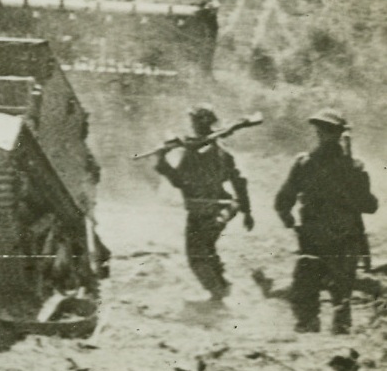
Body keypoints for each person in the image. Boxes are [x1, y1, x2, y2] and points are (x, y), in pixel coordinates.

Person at [274, 108, 378, 334]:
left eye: (328, 130)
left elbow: (370, 206)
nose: (323, 134)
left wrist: (288, 218)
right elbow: (284, 199)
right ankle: (317, 334)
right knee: (316, 292)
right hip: (325, 236)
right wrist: (288, 218)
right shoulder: (307, 163)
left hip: (333, 237)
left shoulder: (349, 166)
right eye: (322, 130)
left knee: (333, 294)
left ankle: (333, 338)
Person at [155, 104, 254, 305]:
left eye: (194, 121)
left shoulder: (195, 152)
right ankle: (223, 287)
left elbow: (180, 182)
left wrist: (162, 161)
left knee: (197, 256)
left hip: (204, 210)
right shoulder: (219, 152)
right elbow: (238, 182)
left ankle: (217, 296)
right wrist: (246, 211)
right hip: (220, 208)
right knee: (206, 249)